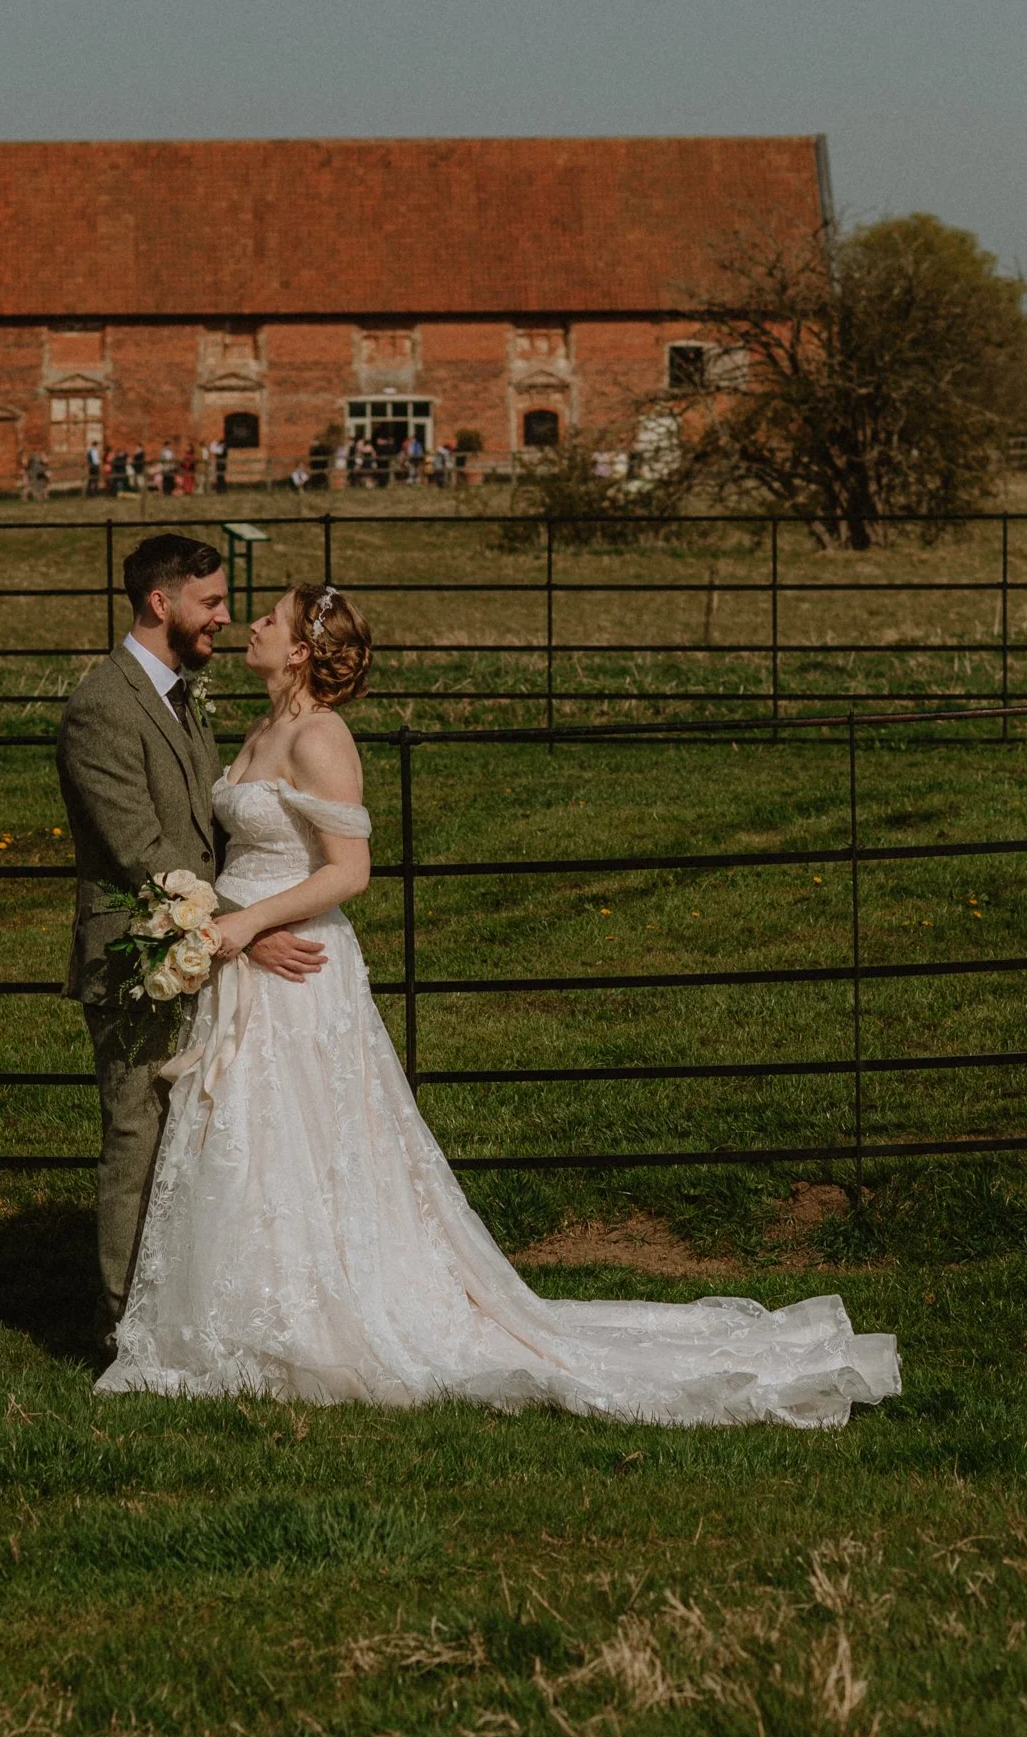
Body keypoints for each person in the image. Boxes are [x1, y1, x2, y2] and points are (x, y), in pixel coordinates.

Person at [97, 582, 900, 1426]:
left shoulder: (321, 735)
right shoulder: (259, 730)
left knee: (307, 1140)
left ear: (300, 650)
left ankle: (332, 1318)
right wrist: (222, 927)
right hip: (248, 960)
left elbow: (350, 871)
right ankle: (246, 1317)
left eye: (269, 619)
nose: (250, 625)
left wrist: (245, 923)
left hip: (297, 962)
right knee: (249, 1140)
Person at [58, 535, 328, 1352]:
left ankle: (182, 1310)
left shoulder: (184, 693)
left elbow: (208, 836)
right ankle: (121, 1327)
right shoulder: (103, 705)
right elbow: (144, 852)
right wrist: (242, 936)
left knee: (195, 1136)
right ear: (159, 603)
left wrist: (246, 923)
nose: (225, 616)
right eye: (210, 602)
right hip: (139, 955)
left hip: (204, 943)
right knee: (138, 1134)